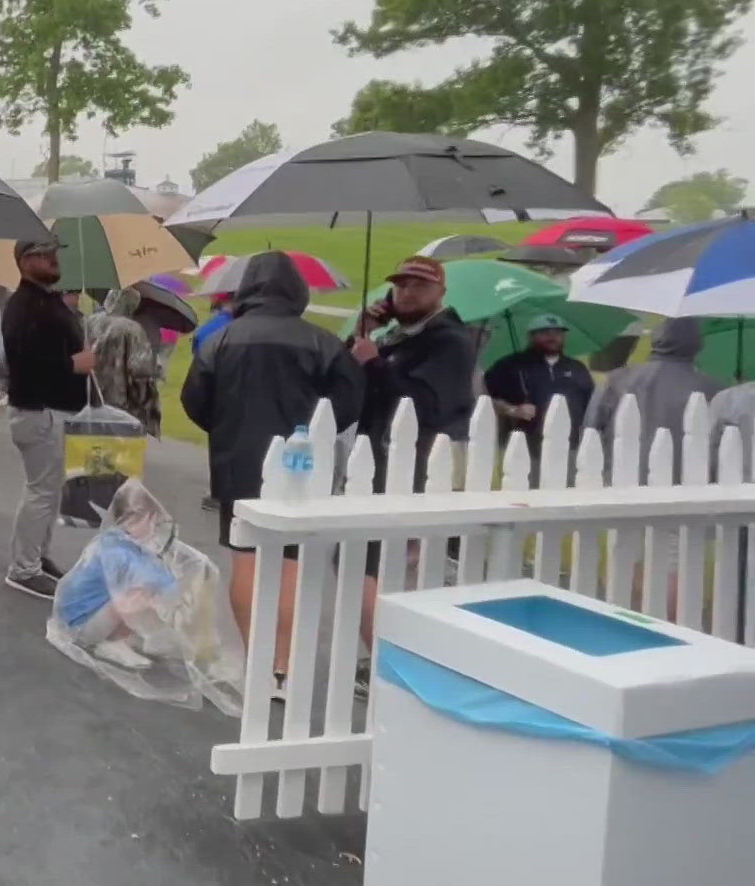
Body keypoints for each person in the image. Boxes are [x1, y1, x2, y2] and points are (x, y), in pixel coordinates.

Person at [182, 252, 363, 695]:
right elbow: (350, 404)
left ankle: (257, 660)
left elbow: (194, 402)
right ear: (298, 291)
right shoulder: (322, 342)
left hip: (238, 462)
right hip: (300, 467)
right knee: (289, 565)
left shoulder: (218, 342)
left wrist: (227, 429)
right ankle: (283, 666)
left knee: (245, 558)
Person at [0, 240, 98, 599]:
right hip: (40, 409)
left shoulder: (45, 301)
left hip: (54, 409)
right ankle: (24, 567)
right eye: (43, 254)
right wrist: (75, 364)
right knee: (41, 491)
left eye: (55, 251)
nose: (54, 258)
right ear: (25, 261)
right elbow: (26, 364)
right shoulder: (24, 306)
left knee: (49, 489)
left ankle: (37, 557)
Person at [352, 256, 476, 489]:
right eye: (401, 286)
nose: (408, 293)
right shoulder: (398, 336)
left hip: (422, 471)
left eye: (420, 286)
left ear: (441, 293)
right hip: (379, 460)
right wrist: (360, 332)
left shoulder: (450, 342)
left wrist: (374, 363)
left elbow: (425, 403)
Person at [589, 317, 725, 483]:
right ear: (697, 344)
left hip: (622, 480)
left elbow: (590, 429)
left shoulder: (616, 379)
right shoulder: (713, 388)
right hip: (687, 484)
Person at [483, 314, 595, 467]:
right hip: (526, 449)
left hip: (572, 447)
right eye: (544, 332)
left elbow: (590, 403)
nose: (552, 337)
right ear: (531, 336)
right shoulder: (509, 366)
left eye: (557, 333)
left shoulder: (577, 368)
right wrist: (513, 410)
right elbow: (484, 399)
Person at [83, 286, 163, 437]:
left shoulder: (90, 321)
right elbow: (140, 369)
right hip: (122, 404)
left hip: (91, 397)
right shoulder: (132, 329)